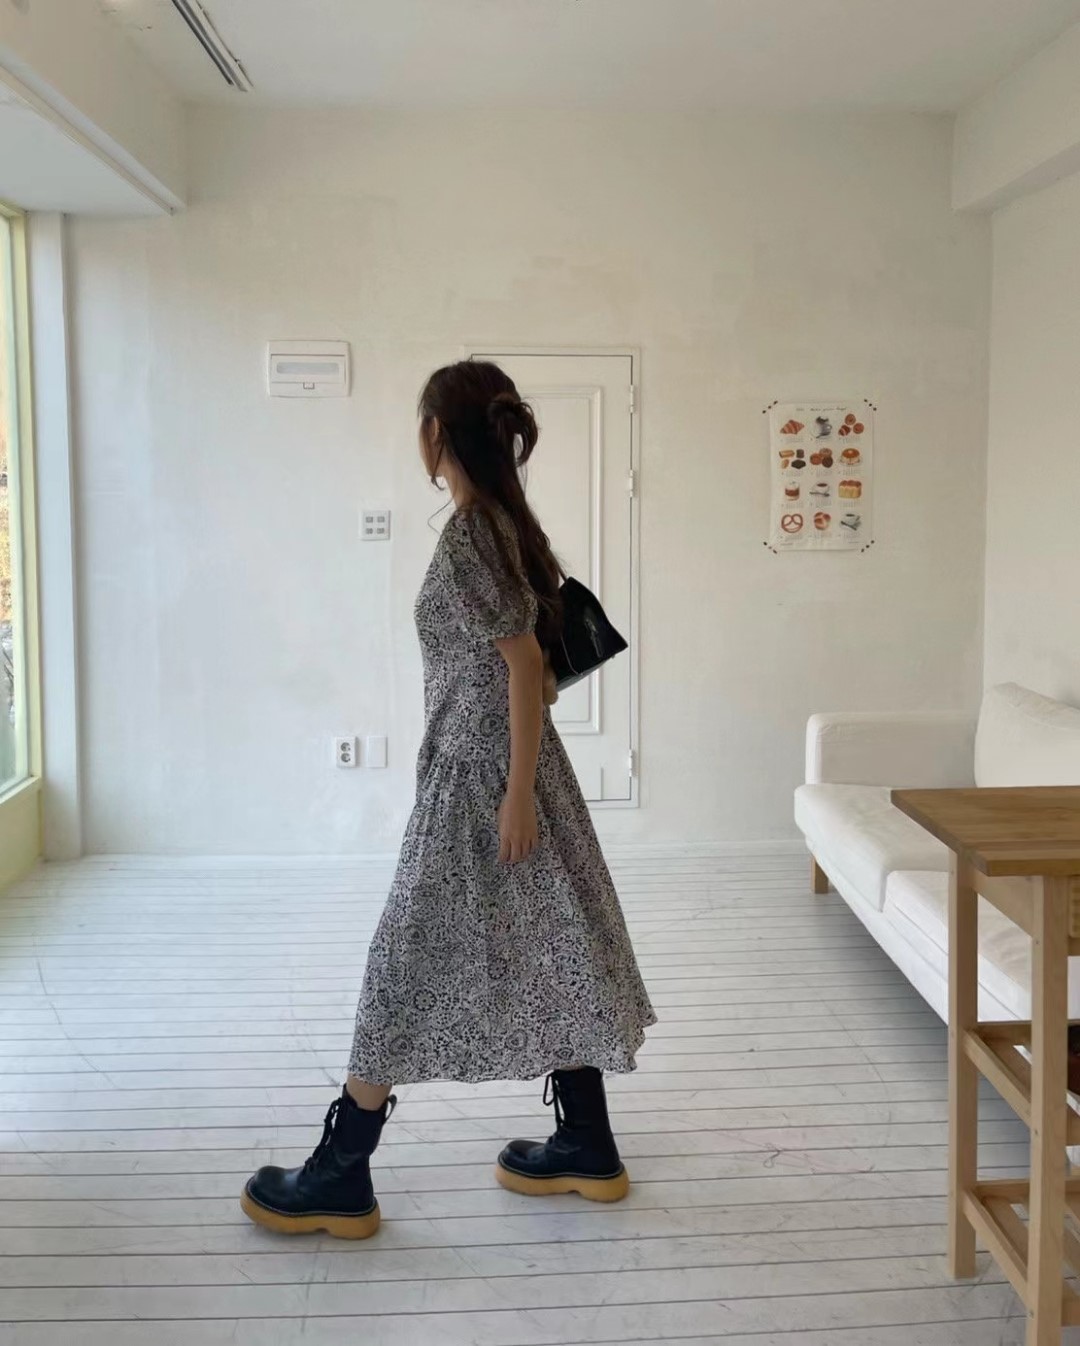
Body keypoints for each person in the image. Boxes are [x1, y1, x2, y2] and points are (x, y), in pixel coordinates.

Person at [241, 359, 656, 1239]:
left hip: (482, 780)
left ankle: (340, 1172)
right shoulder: (502, 523)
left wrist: (514, 794)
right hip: (503, 770)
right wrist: (522, 782)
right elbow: (529, 668)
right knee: (555, 942)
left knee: (402, 959)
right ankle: (587, 1142)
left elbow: (526, 666)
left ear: (436, 434)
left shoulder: (474, 533)